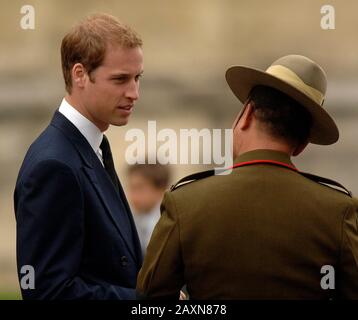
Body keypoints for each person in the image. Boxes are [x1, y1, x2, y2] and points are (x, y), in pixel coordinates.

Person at [136, 54, 358, 299]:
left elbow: (150, 300)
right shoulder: (339, 211)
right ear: (303, 144)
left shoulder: (186, 202)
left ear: (247, 114)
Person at [14, 13, 144, 299]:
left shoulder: (93, 143)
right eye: (121, 79)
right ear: (80, 75)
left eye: (137, 78)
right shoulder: (53, 165)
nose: (134, 93)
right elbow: (48, 293)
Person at [126, 162, 171, 256]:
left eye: (140, 188)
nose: (133, 196)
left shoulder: (170, 223)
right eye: (131, 188)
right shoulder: (133, 219)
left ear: (160, 188)